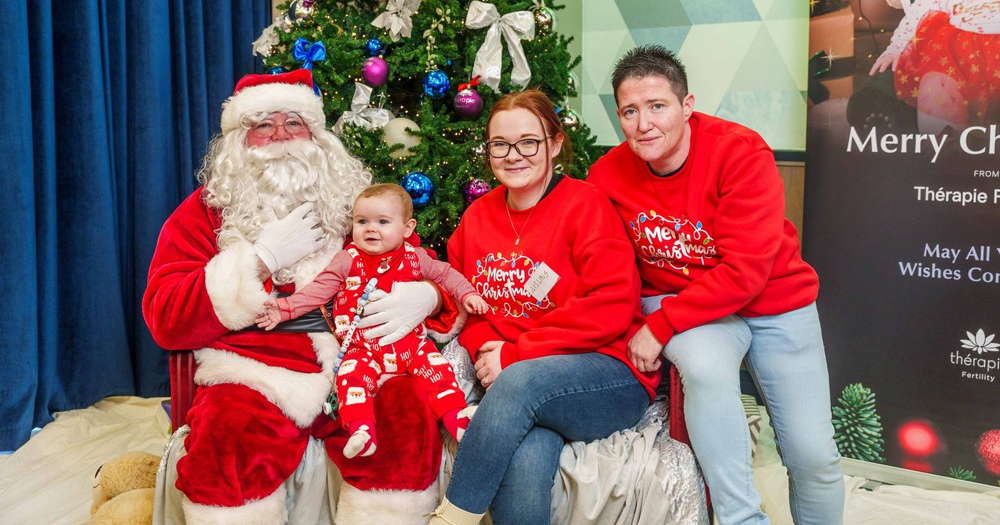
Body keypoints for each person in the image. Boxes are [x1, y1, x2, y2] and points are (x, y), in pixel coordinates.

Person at [142, 69, 457, 524]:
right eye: (263, 125)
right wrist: (260, 260)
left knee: (405, 416)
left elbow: (424, 263)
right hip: (256, 372)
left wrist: (427, 295)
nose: (280, 136)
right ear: (238, 142)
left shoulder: (349, 200)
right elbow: (165, 315)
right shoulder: (203, 213)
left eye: (294, 122)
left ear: (316, 134)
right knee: (226, 439)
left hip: (361, 360)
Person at [587, 45, 845, 525]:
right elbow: (605, 263)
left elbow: (747, 271)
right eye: (630, 110)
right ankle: (741, 519)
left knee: (814, 457)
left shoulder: (739, 152)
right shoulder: (606, 176)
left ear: (687, 107)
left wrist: (661, 324)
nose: (644, 123)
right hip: (686, 302)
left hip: (773, 301)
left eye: (657, 106)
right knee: (705, 371)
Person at [427, 90, 660, 525]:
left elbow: (611, 305)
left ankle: (451, 518)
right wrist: (485, 349)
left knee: (519, 384)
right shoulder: (477, 218)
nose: (513, 155)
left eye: (528, 142)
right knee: (527, 450)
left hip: (607, 373)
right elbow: (467, 304)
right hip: (525, 384)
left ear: (553, 144)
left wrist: (514, 355)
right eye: (500, 144)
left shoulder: (585, 205)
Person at [256, 183, 487, 458]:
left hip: (410, 345)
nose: (370, 228)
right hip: (362, 347)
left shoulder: (416, 258)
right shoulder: (347, 259)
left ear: (407, 229)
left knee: (438, 371)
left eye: (383, 222)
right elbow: (319, 290)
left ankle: (457, 420)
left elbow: (447, 275)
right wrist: (285, 308)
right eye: (361, 221)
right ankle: (362, 432)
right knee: (351, 378)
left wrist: (468, 293)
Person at [869, 0, 1000, 133]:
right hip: (961, 56)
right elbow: (917, 15)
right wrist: (896, 49)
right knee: (936, 87)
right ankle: (944, 143)